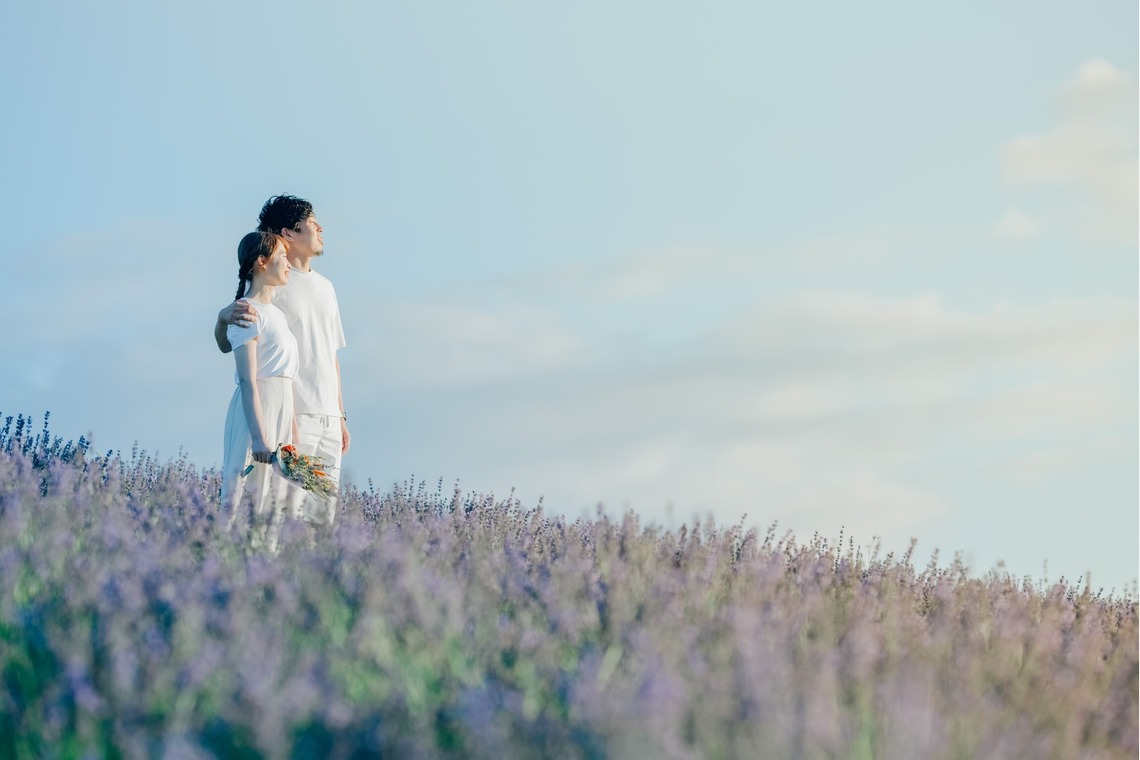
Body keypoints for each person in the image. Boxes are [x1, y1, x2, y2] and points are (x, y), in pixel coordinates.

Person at [215, 195, 349, 524]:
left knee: (322, 519)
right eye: (311, 222)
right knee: (283, 515)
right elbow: (241, 328)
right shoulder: (277, 285)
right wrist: (221, 316)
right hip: (293, 416)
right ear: (288, 233)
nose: (320, 228)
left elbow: (330, 353)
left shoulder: (326, 287)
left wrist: (341, 414)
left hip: (329, 420)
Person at [220, 231, 300, 522]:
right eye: (282, 257)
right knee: (240, 496)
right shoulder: (247, 312)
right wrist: (258, 437)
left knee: (273, 505)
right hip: (255, 412)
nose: (289, 264)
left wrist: (294, 436)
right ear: (262, 262)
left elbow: (285, 379)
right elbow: (247, 379)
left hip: (280, 411)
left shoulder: (277, 314)